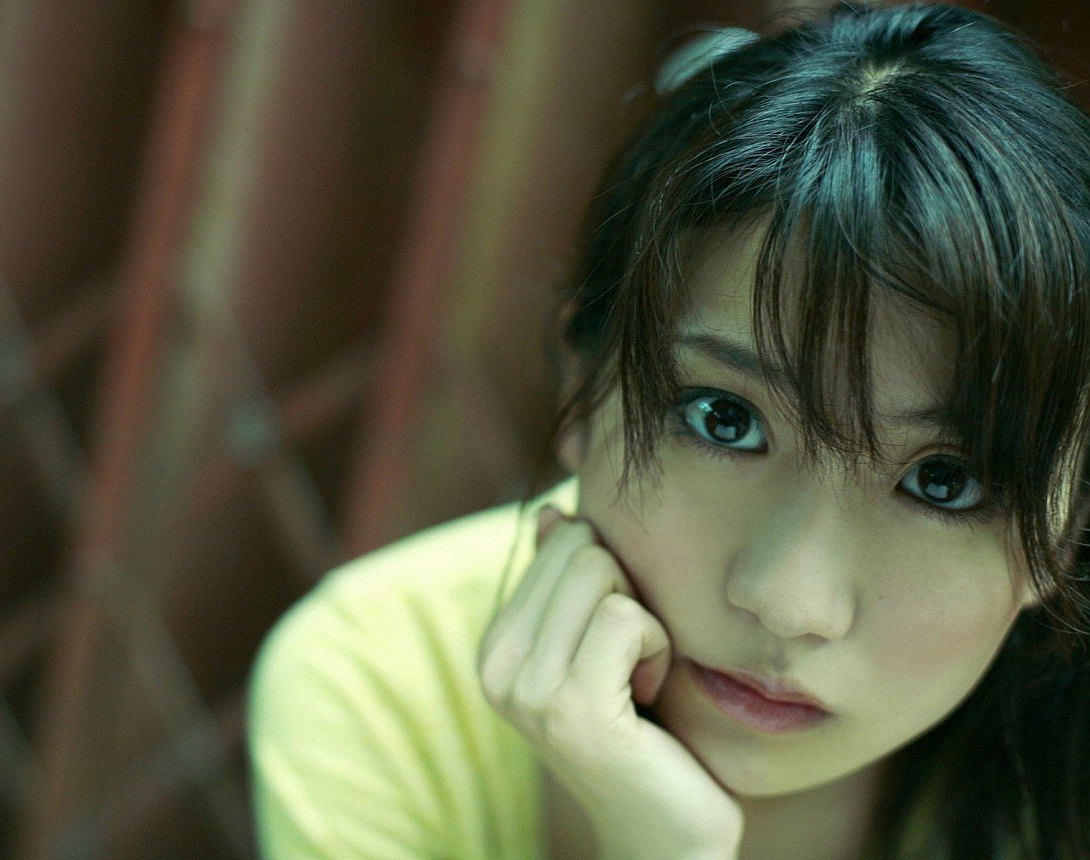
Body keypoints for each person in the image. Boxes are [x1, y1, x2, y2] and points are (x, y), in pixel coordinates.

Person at [248, 3, 1090, 857]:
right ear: (584, 390)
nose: (788, 603)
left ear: (1066, 528)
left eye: (943, 481)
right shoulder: (388, 688)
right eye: (725, 420)